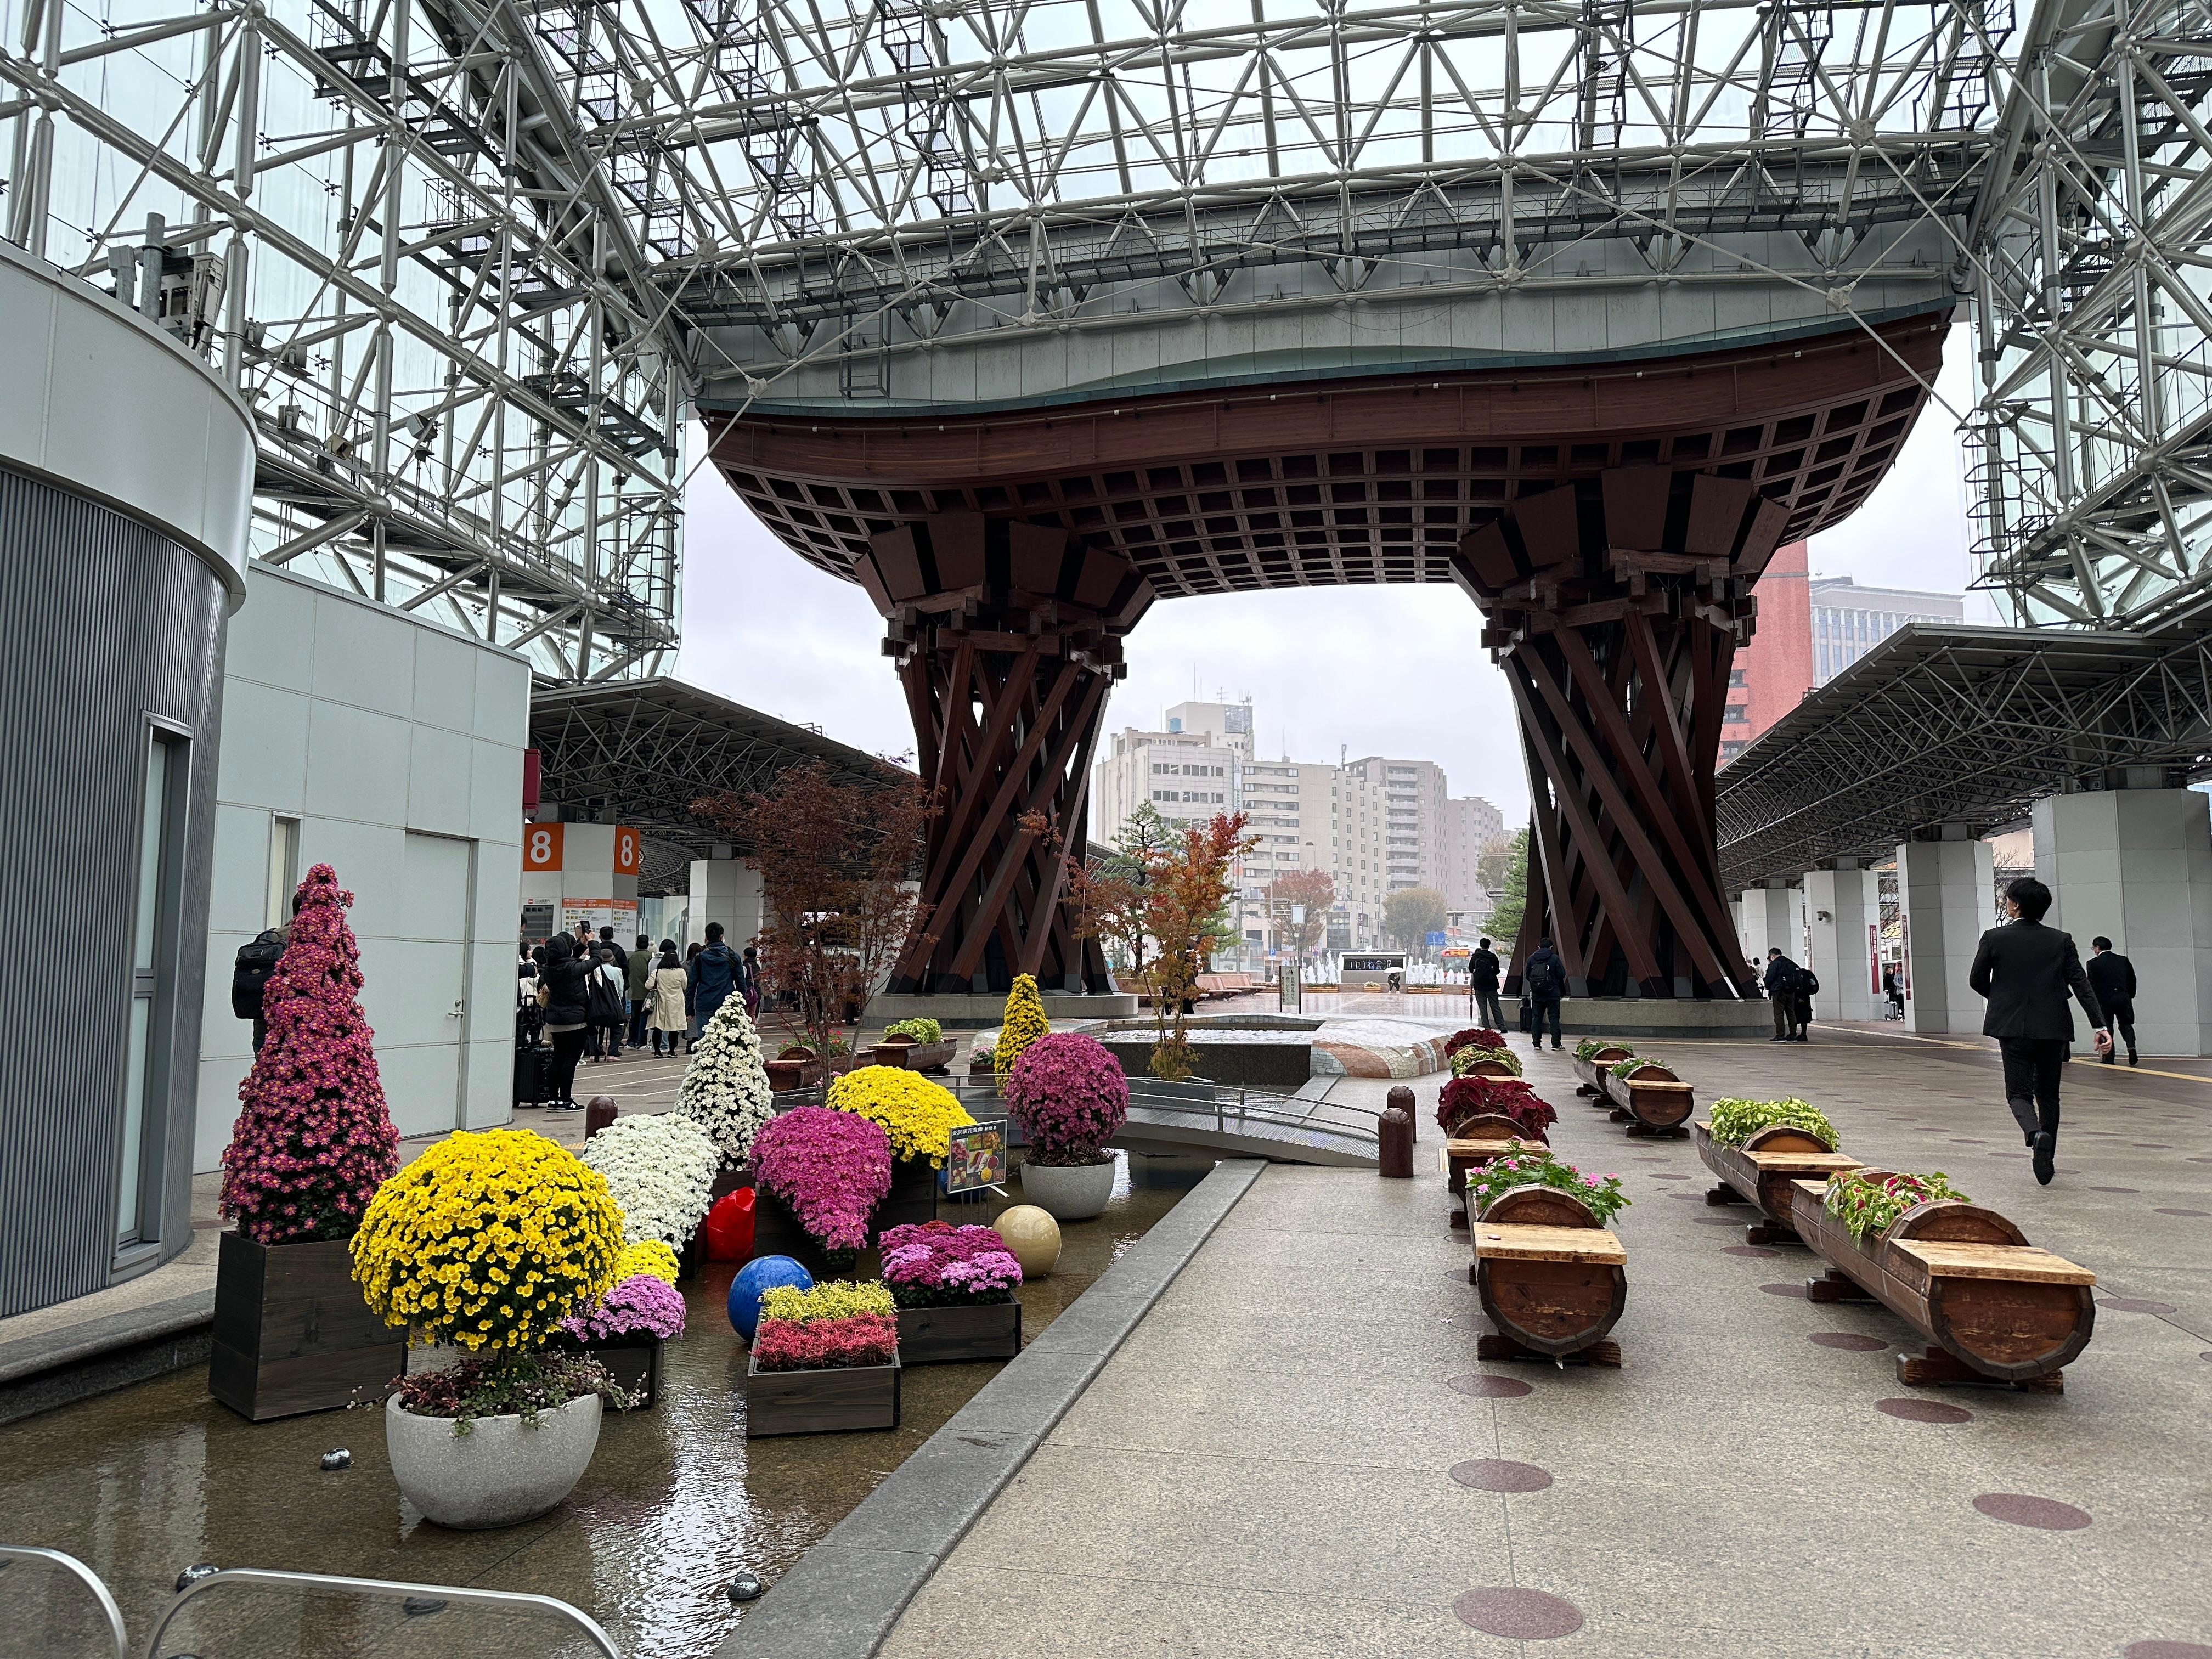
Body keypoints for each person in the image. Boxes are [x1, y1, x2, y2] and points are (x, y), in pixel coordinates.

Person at [1968, 876, 2111, 1185]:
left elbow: (1976, 980)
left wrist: (2005, 998)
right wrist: (2099, 1025)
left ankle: (2035, 1134)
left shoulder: (1994, 937)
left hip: (2013, 1027)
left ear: (2016, 905)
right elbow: (2081, 984)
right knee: (2049, 1095)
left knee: (2018, 1093)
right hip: (2053, 1027)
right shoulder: (2061, 940)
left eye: (2008, 899)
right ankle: (2047, 1156)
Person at [232, 890, 306, 1052]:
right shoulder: (307, 942)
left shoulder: (273, 936)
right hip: (295, 1040)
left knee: (267, 1076)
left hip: (263, 1034)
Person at [538, 934, 591, 1109]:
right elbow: (596, 960)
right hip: (575, 1021)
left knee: (558, 1058)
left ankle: (553, 1099)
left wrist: (582, 945)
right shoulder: (571, 968)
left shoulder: (549, 968)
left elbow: (567, 960)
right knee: (570, 1060)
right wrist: (593, 943)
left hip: (555, 1021)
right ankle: (566, 1100)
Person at [2086, 937, 2138, 1066]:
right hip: (2123, 997)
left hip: (2104, 1000)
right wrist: (2129, 995)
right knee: (2126, 1025)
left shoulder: (2093, 963)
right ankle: (2131, 1048)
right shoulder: (2123, 960)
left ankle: (2109, 1057)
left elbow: (2091, 985)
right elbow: (2132, 980)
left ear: (2098, 948)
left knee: (2107, 1027)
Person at [690, 922, 741, 1029]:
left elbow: (691, 985)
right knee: (726, 1041)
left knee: (705, 1041)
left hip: (704, 1003)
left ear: (706, 938)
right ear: (722, 937)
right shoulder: (733, 956)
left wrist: (689, 1009)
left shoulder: (699, 958)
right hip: (727, 1004)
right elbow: (741, 984)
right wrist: (740, 1006)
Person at [1522, 937, 1567, 1049]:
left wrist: (1537, 985)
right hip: (1553, 993)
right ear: (1551, 947)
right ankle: (1556, 1044)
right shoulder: (1554, 958)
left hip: (1537, 994)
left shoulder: (1532, 959)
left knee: (1537, 1018)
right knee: (1554, 1019)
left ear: (1539, 947)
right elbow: (1562, 974)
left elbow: (1528, 975)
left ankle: (1537, 1043)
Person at [648, 941, 690, 1056]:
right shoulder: (681, 972)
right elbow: (685, 986)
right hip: (676, 1003)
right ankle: (672, 1051)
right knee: (674, 1028)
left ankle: (657, 1051)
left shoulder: (658, 972)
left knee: (658, 1027)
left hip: (660, 1002)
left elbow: (649, 985)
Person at [588, 946, 628, 1062]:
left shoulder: (594, 969)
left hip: (596, 1004)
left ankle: (593, 1054)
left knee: (594, 1029)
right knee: (618, 1028)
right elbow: (621, 989)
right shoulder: (617, 971)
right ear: (612, 959)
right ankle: (611, 1053)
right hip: (613, 1005)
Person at [1763, 947, 1807, 1042]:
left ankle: (1780, 1035)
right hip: (1791, 992)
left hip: (1778, 992)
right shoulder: (1790, 963)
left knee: (1779, 1013)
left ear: (1772, 956)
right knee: (1791, 1013)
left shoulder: (1775, 964)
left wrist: (1767, 985)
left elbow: (1770, 978)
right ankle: (1793, 1035)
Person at [627, 932, 654, 1051]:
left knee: (634, 1018)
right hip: (646, 993)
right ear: (647, 944)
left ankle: (631, 1042)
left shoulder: (631, 957)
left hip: (633, 992)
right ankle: (641, 1042)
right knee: (644, 1018)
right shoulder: (650, 957)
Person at [1470, 936, 1504, 1029]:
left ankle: (1487, 1027)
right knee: (1495, 1006)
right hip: (1492, 986)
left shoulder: (1475, 957)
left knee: (1482, 1007)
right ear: (1489, 946)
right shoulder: (1493, 957)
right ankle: (1501, 1026)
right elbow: (1497, 971)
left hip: (1479, 986)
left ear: (1480, 945)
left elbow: (1471, 969)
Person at [741, 945, 763, 1015]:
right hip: (756, 993)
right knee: (752, 1014)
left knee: (745, 1014)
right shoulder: (757, 966)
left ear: (747, 956)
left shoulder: (745, 966)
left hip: (748, 993)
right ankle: (753, 1026)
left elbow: (742, 979)